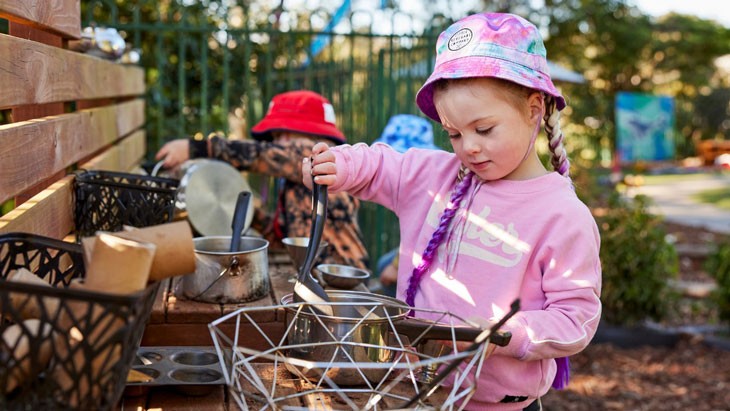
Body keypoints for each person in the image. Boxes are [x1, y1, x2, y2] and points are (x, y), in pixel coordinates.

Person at [303, 12, 601, 410]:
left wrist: (504, 334)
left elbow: (575, 317)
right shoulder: (434, 175)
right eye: (454, 134)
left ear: (534, 110)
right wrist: (339, 165)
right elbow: (380, 165)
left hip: (499, 403)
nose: (468, 147)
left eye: (484, 129)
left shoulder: (563, 216)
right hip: (415, 390)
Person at [156, 90, 369, 270]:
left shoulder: (320, 158)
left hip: (341, 276)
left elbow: (263, 154)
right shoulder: (299, 182)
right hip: (317, 275)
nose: (279, 142)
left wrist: (196, 147)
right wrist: (240, 209)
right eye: (276, 137)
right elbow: (283, 237)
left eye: (283, 134)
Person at [372, 114, 443, 296]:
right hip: (425, 246)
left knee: (385, 268)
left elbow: (425, 235)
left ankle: (404, 317)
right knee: (384, 262)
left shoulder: (429, 189)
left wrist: (395, 267)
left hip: (436, 253)